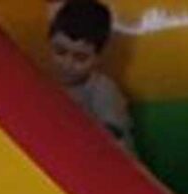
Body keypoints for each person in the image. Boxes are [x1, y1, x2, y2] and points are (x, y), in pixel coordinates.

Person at [48, 1, 132, 149]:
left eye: (80, 58)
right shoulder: (46, 79)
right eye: (60, 51)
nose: (67, 64)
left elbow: (112, 145)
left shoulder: (102, 91)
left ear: (98, 57)